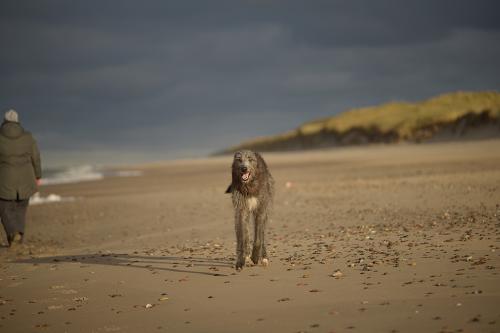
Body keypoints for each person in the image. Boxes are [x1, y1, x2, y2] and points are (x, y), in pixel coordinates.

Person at [0, 109, 41, 247]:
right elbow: (36, 157)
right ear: (18, 121)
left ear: (4, 121)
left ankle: (13, 233)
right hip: (26, 179)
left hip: (4, 179)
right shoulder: (28, 137)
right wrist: (38, 175)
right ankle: (19, 234)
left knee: (5, 209)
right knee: (21, 209)